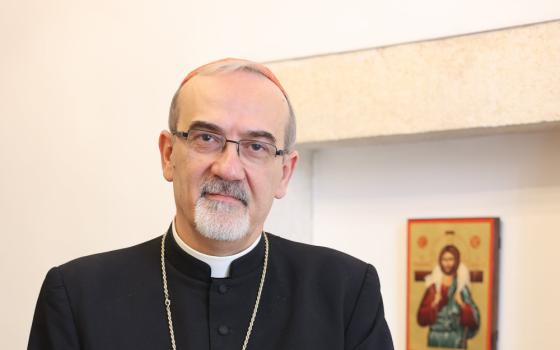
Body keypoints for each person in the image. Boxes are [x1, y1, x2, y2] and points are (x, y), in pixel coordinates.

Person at [28, 58, 394, 350]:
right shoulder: (77, 296)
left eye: (256, 146)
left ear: (284, 172)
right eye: (206, 137)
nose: (229, 168)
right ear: (169, 155)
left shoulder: (345, 292)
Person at [417, 245, 480, 349]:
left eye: (451, 259)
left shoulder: (462, 288)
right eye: (444, 259)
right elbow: (421, 319)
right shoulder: (433, 288)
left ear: (456, 261)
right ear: (440, 261)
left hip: (456, 341)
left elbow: (474, 322)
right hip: (435, 341)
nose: (447, 263)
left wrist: (462, 305)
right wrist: (434, 304)